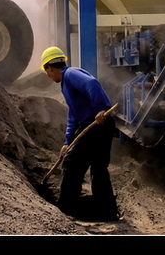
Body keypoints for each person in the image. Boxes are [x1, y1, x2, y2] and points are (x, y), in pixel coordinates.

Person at [40, 46, 120, 221]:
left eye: (46, 71)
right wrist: (67, 142)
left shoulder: (70, 75)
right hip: (98, 126)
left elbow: (92, 84)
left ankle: (67, 208)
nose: (47, 75)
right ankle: (107, 212)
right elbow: (73, 114)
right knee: (99, 168)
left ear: (50, 68)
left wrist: (100, 108)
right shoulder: (66, 83)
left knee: (71, 162)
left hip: (98, 124)